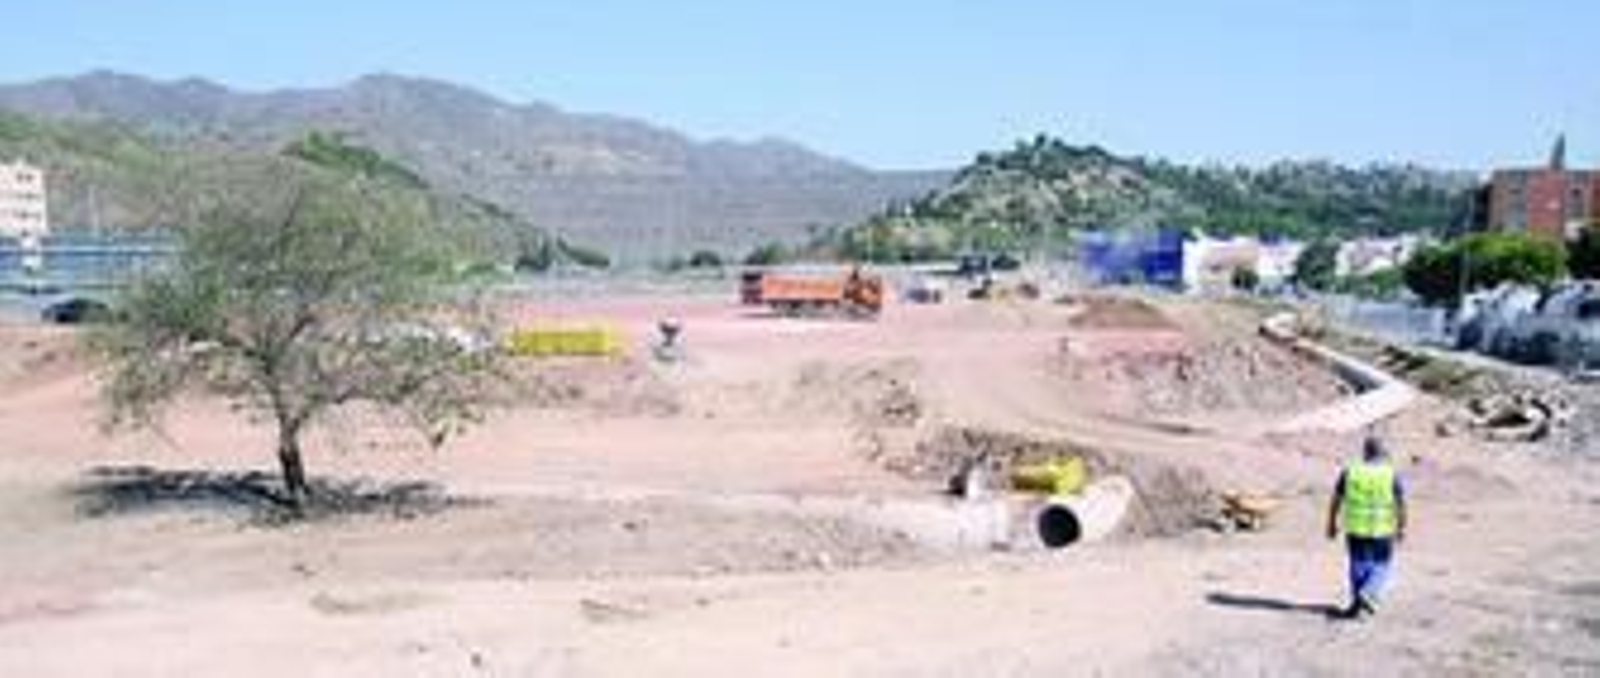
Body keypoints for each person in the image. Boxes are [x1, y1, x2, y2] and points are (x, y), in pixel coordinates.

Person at [1326, 436, 1408, 619]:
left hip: (1356, 528)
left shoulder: (1350, 472)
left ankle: (1357, 607)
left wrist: (1331, 523)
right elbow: (1400, 503)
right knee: (1381, 565)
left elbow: (1336, 500)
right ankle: (1368, 592)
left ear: (1365, 452)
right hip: (1382, 529)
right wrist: (1402, 527)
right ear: (1382, 453)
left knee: (1358, 566)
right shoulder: (1390, 474)